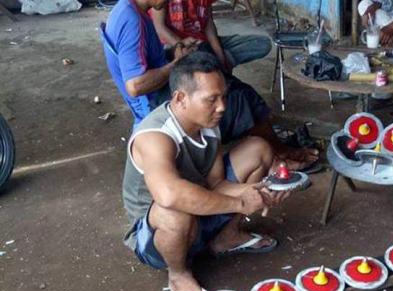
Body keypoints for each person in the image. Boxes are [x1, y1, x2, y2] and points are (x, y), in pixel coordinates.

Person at [123, 52, 288, 291]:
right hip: (155, 236)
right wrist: (241, 202)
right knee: (174, 209)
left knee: (258, 149)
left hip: (198, 213)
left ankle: (226, 237)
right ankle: (178, 274)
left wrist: (261, 191)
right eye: (212, 99)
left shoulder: (207, 124)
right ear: (181, 98)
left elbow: (217, 184)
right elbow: (168, 195)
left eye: (223, 97)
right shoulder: (155, 136)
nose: (222, 107)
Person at [102, 0, 318, 169]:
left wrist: (177, 49)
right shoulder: (132, 21)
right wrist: (177, 63)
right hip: (155, 101)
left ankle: (275, 148)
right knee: (241, 98)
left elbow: (150, 61)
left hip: (163, 86)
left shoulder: (130, 10)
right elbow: (136, 86)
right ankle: (278, 153)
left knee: (231, 86)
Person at [149, 0, 272, 77]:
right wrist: (181, 44)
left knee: (262, 44)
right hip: (174, 46)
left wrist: (220, 56)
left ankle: (212, 63)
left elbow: (208, 24)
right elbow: (159, 26)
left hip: (203, 43)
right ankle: (208, 64)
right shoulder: (159, 2)